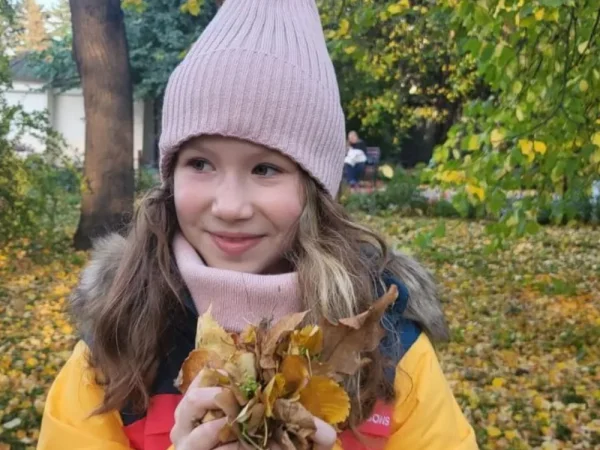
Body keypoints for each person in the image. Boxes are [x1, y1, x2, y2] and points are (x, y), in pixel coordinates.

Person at [38, 0, 478, 449]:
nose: (229, 207)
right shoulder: (118, 339)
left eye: (265, 169)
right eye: (200, 163)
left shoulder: (389, 346)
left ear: (315, 191)